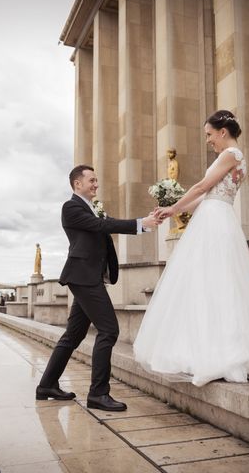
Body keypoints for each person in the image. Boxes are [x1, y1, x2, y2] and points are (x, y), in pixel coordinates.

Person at [133, 110, 249, 387]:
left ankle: (227, 355)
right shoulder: (228, 158)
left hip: (217, 221)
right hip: (213, 215)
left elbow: (203, 186)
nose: (207, 140)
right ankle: (207, 351)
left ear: (223, 132)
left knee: (219, 283)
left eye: (209, 134)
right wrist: (173, 213)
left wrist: (174, 206)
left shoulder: (232, 155)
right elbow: (207, 196)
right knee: (208, 284)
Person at [35, 164, 160, 412]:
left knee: (73, 335)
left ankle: (46, 385)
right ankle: (98, 394)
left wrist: (144, 224)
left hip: (87, 276)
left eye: (96, 180)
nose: (96, 184)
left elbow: (104, 225)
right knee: (109, 330)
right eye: (91, 180)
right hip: (83, 277)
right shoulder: (71, 207)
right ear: (77, 184)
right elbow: (103, 226)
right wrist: (140, 223)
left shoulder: (91, 208)